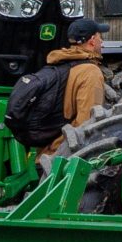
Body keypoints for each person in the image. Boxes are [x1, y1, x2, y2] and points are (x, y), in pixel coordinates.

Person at [42, 17, 110, 151]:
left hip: (48, 148)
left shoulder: (60, 63)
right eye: (99, 37)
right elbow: (88, 122)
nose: (101, 41)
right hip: (66, 153)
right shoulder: (90, 72)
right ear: (92, 40)